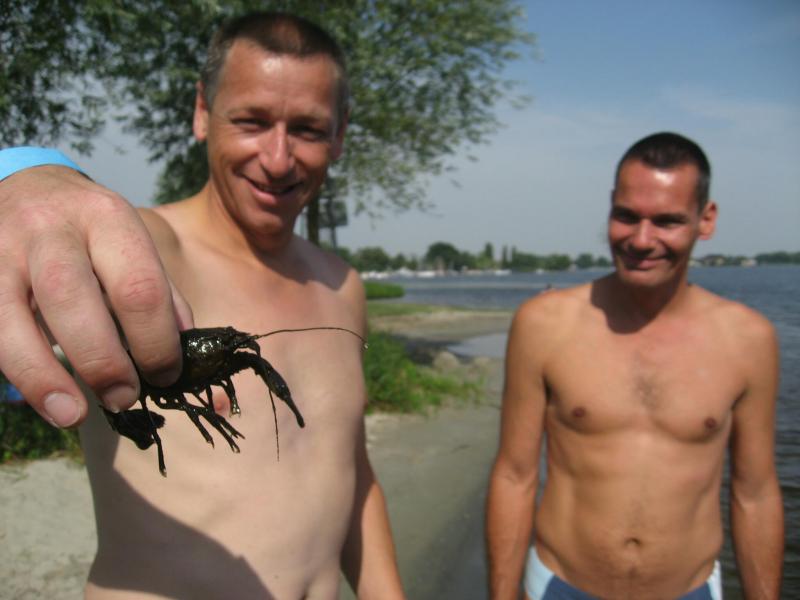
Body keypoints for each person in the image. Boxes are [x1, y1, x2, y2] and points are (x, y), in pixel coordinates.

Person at [0, 12, 406, 599]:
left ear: (340, 134)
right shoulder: (146, 254)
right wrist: (22, 176)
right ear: (201, 112)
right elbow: (59, 232)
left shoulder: (343, 286)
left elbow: (351, 470)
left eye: (308, 129)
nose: (278, 158)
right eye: (251, 120)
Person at [486, 132, 784, 599]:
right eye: (626, 216)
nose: (641, 240)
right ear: (610, 207)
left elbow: (756, 493)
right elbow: (514, 475)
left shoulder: (748, 340)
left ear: (706, 220)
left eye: (667, 221)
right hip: (561, 585)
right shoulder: (544, 324)